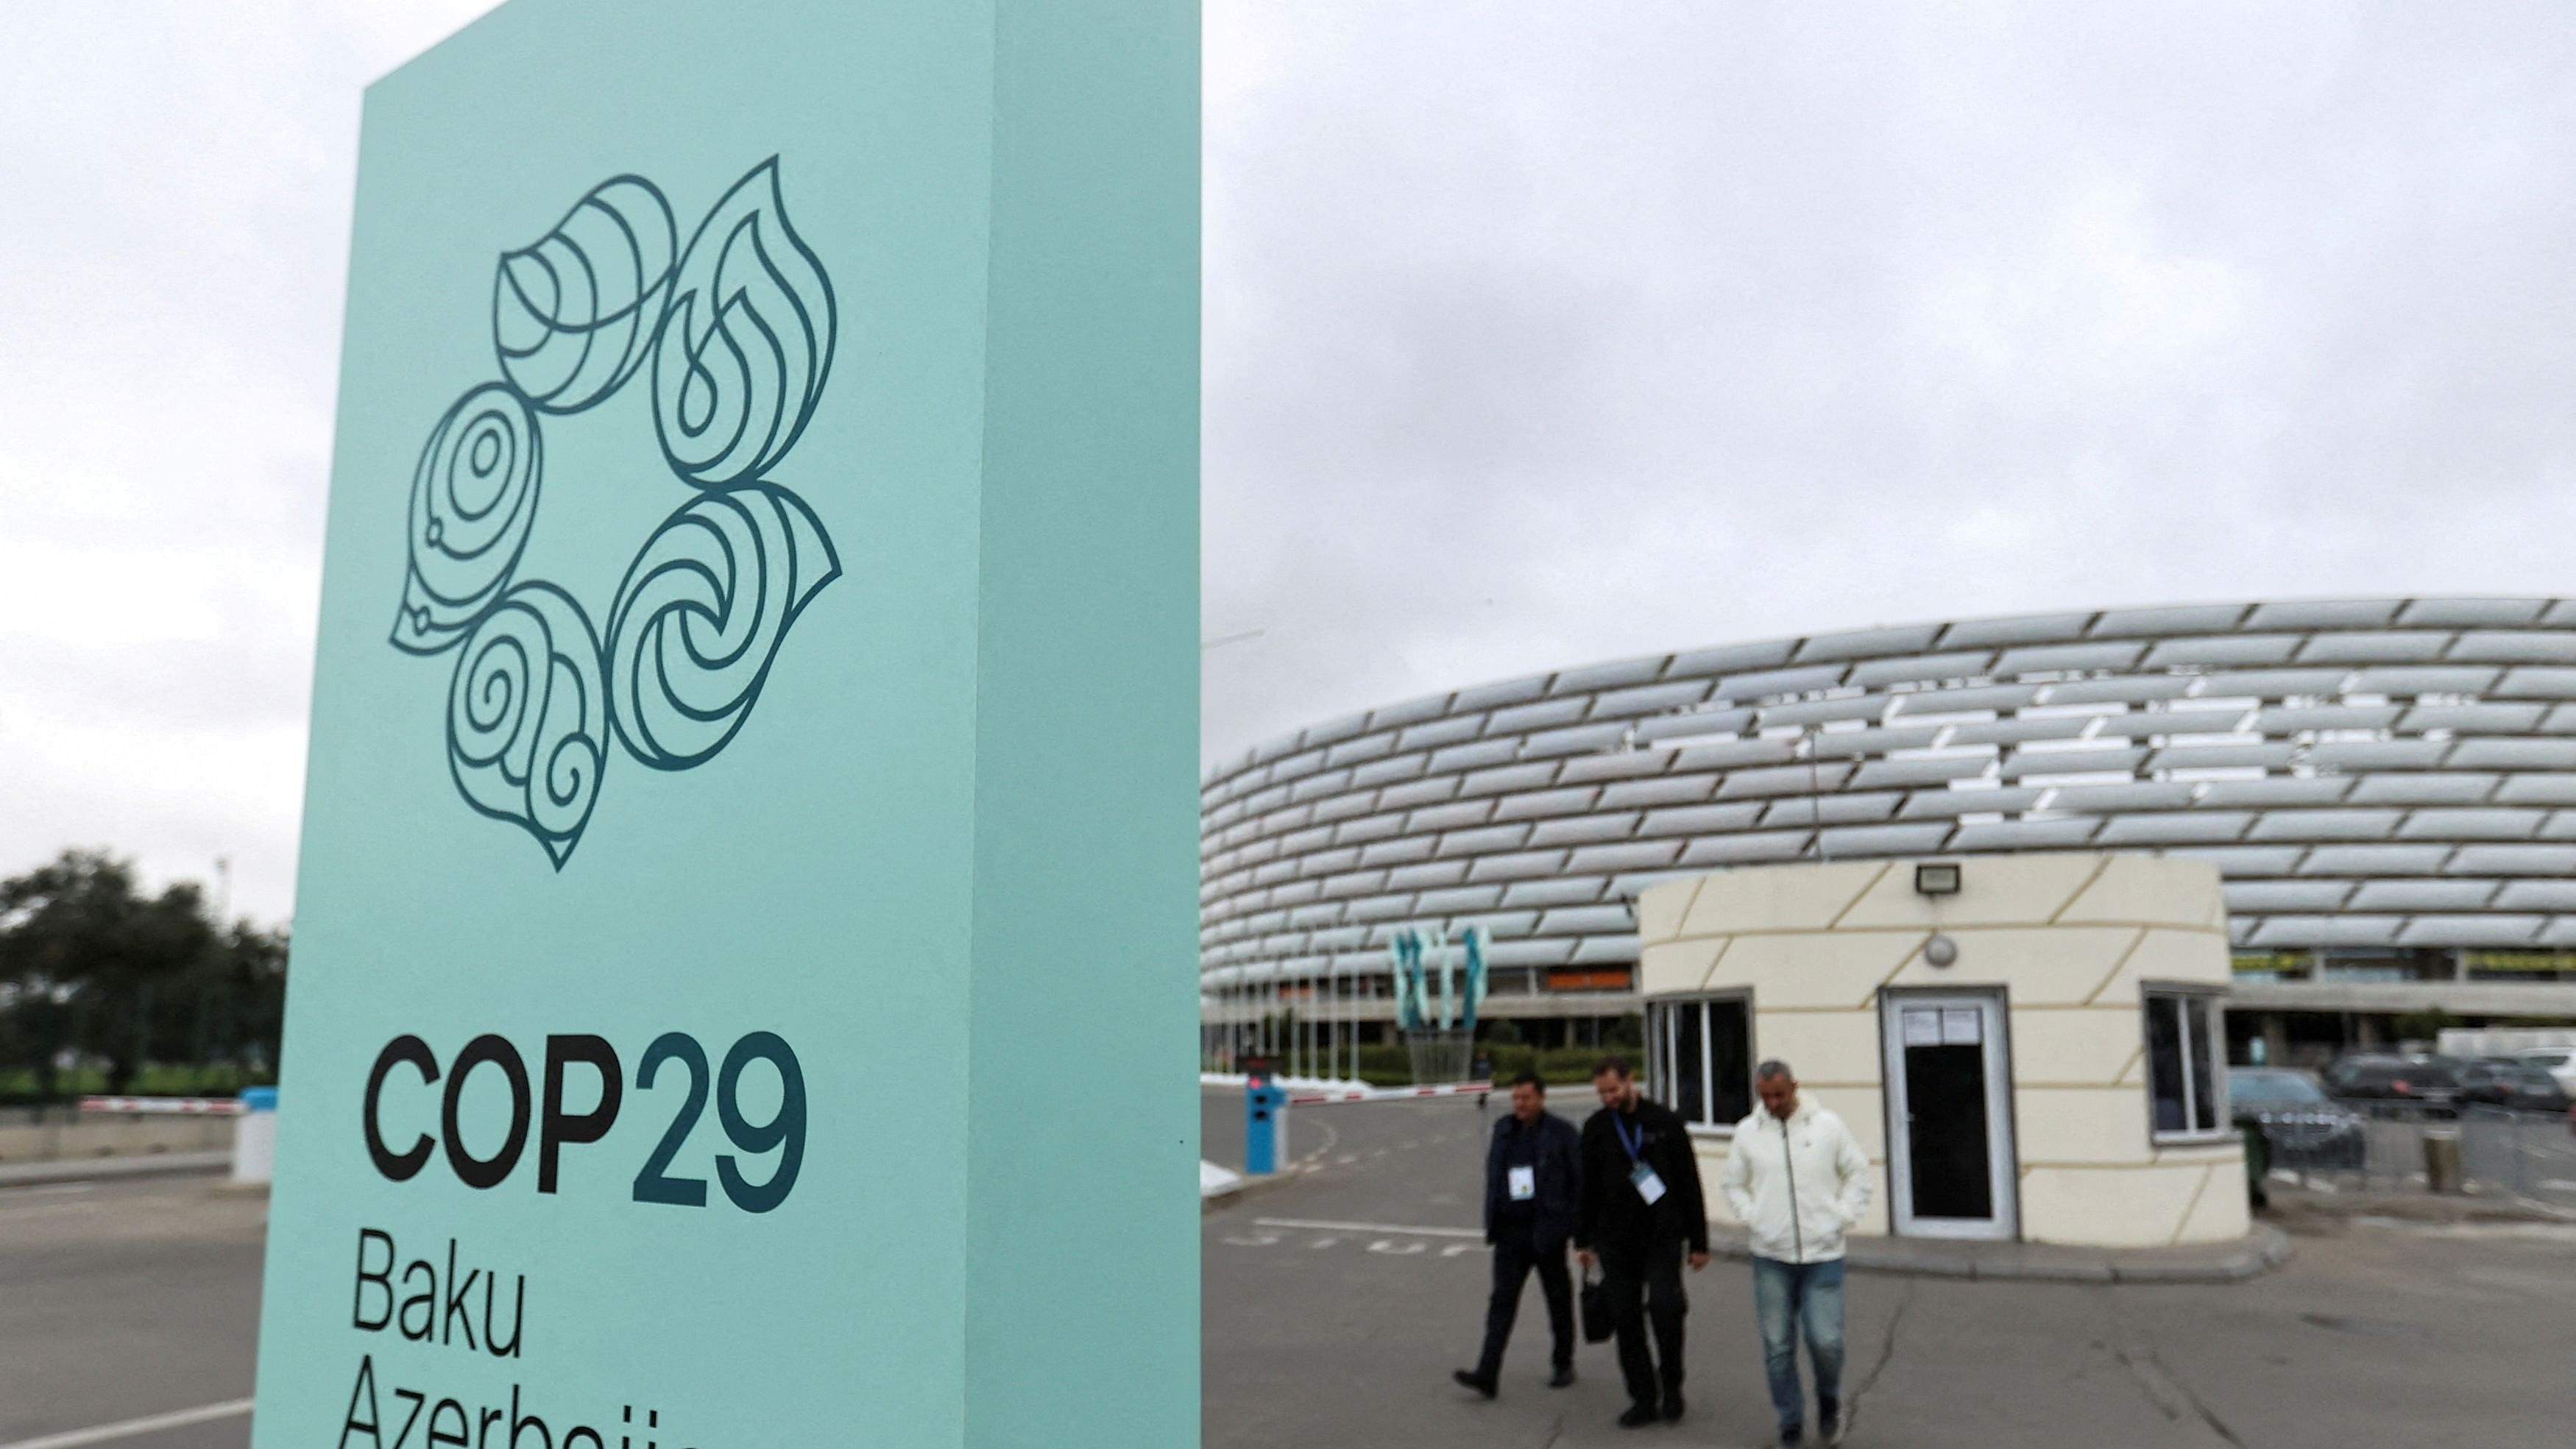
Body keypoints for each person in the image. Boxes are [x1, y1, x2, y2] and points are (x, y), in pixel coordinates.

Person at [1719, 1059, 1870, 1449]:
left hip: (1823, 1254)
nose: (1772, 1102)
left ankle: (1828, 1399)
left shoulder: (1827, 1126)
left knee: (1826, 1340)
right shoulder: (1748, 1133)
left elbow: (1857, 1172)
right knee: (1777, 1344)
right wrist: (1755, 1218)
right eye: (1765, 1096)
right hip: (1771, 1255)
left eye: (1779, 1095)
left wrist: (1842, 1216)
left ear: (1795, 1088)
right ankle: (1789, 1418)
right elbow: (1733, 1184)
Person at [1574, 1055, 1708, 1428]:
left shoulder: (1665, 1123)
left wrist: (1699, 1242)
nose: (1609, 1098)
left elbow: (1688, 1183)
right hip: (1614, 1241)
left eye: (1614, 1090)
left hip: (1662, 1237)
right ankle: (1643, 1398)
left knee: (1666, 1309)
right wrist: (1582, 1239)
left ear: (1631, 1081)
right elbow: (1587, 1188)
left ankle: (1672, 1386)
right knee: (1626, 1319)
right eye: (1602, 1093)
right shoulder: (1597, 1128)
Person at [1452, 1071, 1582, 1398]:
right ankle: (1487, 1372)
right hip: (1511, 1232)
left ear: (1541, 1098)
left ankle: (1563, 1362)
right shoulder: (1504, 1130)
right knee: (1501, 1304)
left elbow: (1579, 1184)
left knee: (1558, 1299)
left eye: (1526, 1098)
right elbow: (1495, 1175)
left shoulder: (1561, 1134)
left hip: (1547, 1231)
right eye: (1515, 1098)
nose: (1519, 1104)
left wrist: (1574, 1229)